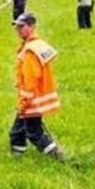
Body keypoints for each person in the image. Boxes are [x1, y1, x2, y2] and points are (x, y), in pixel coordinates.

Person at [10, 13, 65, 160]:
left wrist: (24, 102)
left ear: (32, 26)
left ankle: (56, 156)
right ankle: (17, 156)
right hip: (36, 96)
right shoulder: (37, 44)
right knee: (17, 131)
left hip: (31, 99)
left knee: (34, 132)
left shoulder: (29, 50)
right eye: (17, 27)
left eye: (22, 27)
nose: (18, 30)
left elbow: (30, 79)